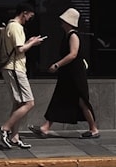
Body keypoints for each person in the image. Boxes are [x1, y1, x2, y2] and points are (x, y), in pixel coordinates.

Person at [29, 8, 100, 139]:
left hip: (75, 74)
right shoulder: (67, 36)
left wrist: (57, 65)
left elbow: (73, 54)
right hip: (68, 73)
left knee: (82, 100)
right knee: (59, 98)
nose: (61, 23)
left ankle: (93, 128)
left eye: (63, 21)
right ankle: (45, 127)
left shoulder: (73, 36)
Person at [0, 2, 46, 149]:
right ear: (24, 13)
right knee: (29, 103)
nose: (30, 19)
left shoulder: (11, 25)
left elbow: (19, 46)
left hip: (13, 68)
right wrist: (33, 43)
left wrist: (29, 41)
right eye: (30, 16)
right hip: (15, 69)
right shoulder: (16, 26)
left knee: (19, 103)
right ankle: (4, 129)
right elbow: (19, 49)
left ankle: (15, 137)